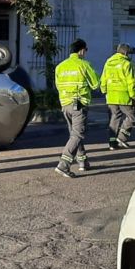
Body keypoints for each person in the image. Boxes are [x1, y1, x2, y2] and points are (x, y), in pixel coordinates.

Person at [54, 39, 100, 177]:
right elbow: (95, 84)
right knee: (78, 134)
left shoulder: (60, 66)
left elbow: (57, 86)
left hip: (65, 105)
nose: (86, 53)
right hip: (79, 104)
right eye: (86, 50)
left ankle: (82, 161)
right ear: (81, 50)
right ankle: (64, 164)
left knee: (74, 134)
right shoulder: (84, 65)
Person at [101, 43, 135, 150]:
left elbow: (103, 78)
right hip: (124, 96)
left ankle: (112, 143)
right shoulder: (127, 64)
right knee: (131, 117)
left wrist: (104, 91)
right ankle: (122, 137)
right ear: (126, 52)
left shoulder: (108, 62)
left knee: (114, 118)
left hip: (111, 95)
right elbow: (131, 82)